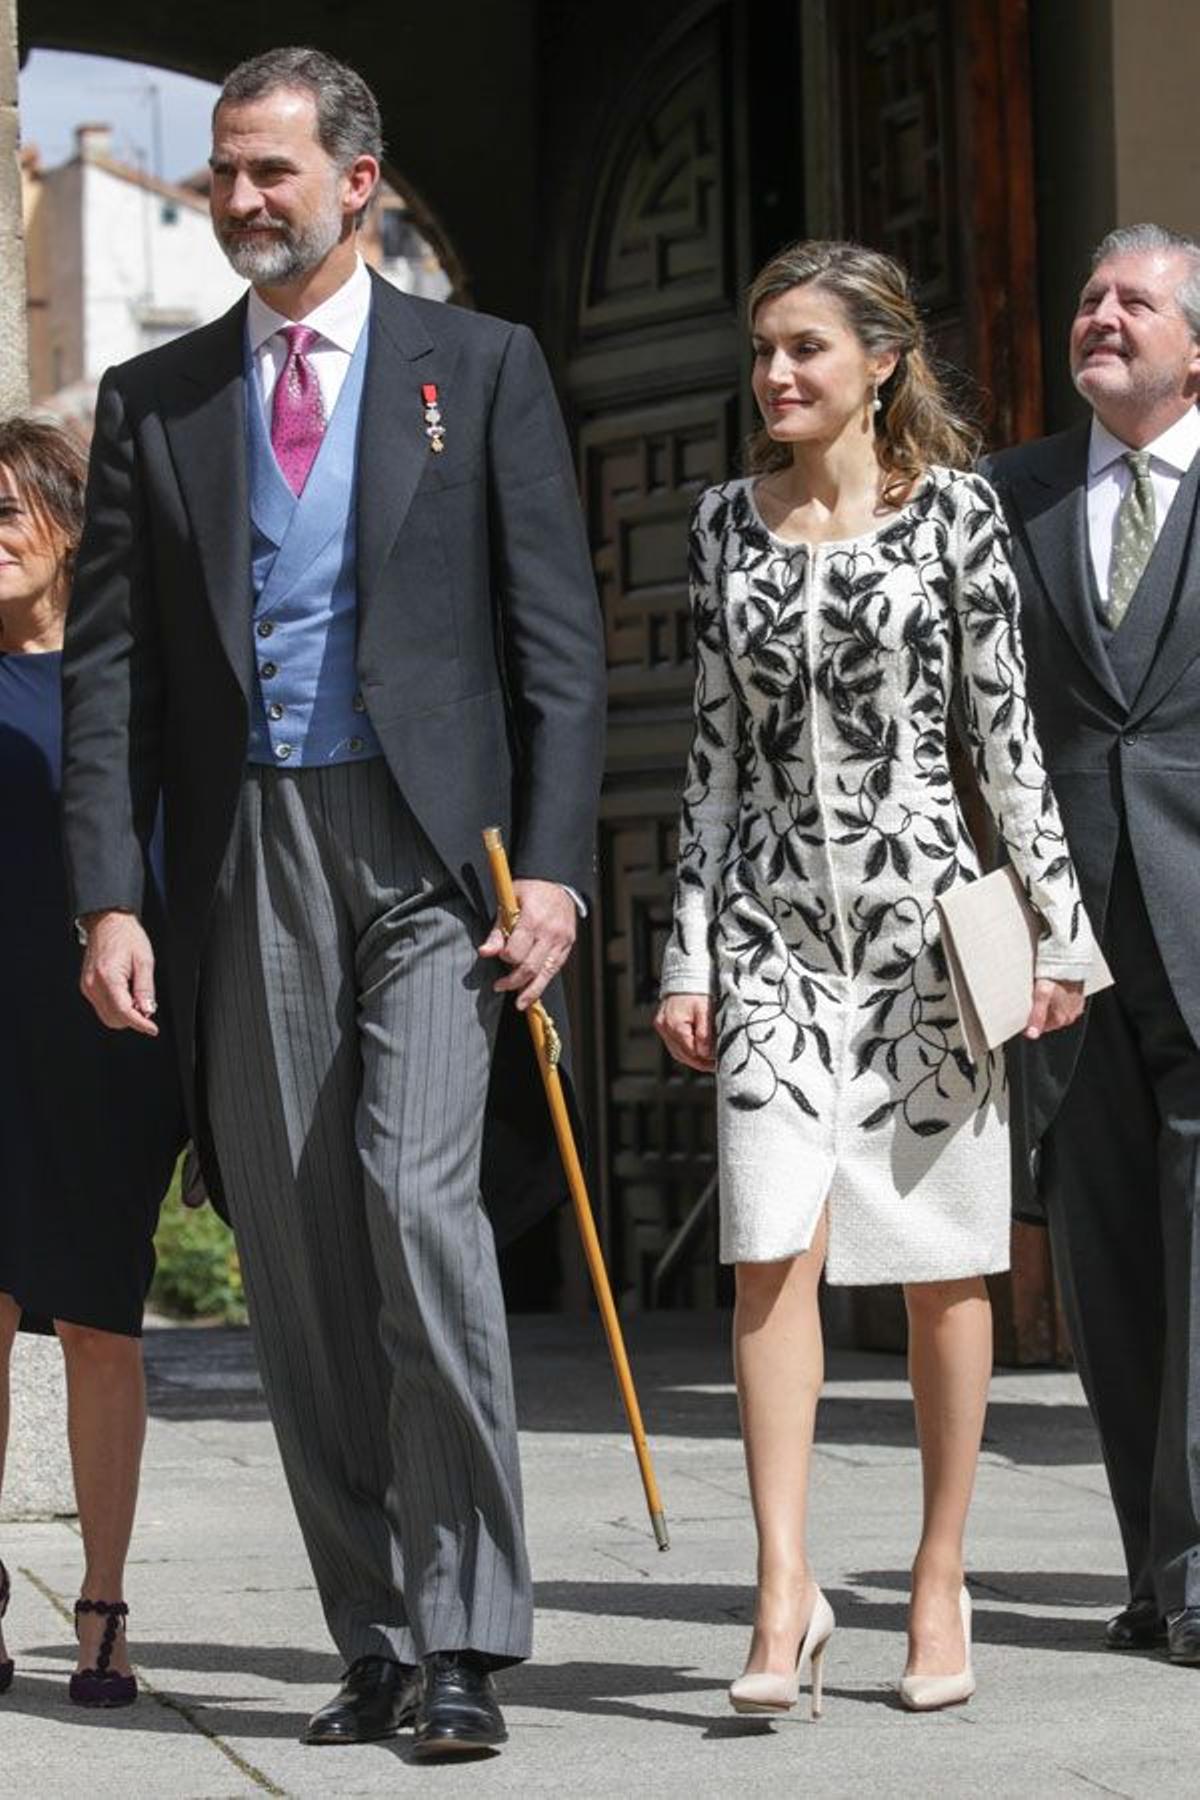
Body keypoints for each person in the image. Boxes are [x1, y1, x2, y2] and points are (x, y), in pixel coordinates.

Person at [61, 47, 605, 1758]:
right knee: (294, 1252)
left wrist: (566, 872)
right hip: (245, 858)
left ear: (358, 180)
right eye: (224, 173)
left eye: (269, 172)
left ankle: (463, 1632)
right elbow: (110, 682)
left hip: (439, 857)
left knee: (418, 1211)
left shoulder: (483, 367)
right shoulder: (158, 402)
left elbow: (561, 654)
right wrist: (110, 899)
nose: (239, 201)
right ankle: (367, 1632)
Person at [655, 240, 1094, 1716]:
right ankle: (786, 1589)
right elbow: (708, 763)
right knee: (769, 1246)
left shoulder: (956, 515)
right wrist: (687, 951)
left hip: (926, 942)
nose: (777, 374)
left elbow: (1005, 740)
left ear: (882, 361)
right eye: (764, 349)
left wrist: (1062, 933)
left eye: (806, 350)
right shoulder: (723, 520)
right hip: (777, 939)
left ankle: (937, 1571)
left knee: (939, 1260)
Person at [982, 223, 1200, 1667]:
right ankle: (1152, 1565)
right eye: (1087, 296)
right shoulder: (1010, 497)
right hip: (1067, 946)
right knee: (1113, 1260)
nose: (1101, 315)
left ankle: (1192, 1569)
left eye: (1135, 299)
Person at [0, 417, 183, 1707]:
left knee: (97, 1324)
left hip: (100, 1039)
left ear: (69, 523)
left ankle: (103, 1602)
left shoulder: (125, 687)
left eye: (12, 507)